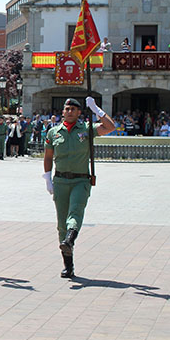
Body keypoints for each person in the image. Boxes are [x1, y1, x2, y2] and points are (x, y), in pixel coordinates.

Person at [43, 98, 115, 278]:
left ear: (79, 113)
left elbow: (110, 127)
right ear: (63, 111)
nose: (69, 111)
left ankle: (70, 239)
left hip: (81, 181)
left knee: (75, 212)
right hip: (60, 181)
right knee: (61, 224)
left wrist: (97, 109)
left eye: (74, 109)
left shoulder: (86, 129)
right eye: (67, 108)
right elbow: (48, 156)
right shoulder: (53, 132)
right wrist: (47, 178)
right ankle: (68, 264)